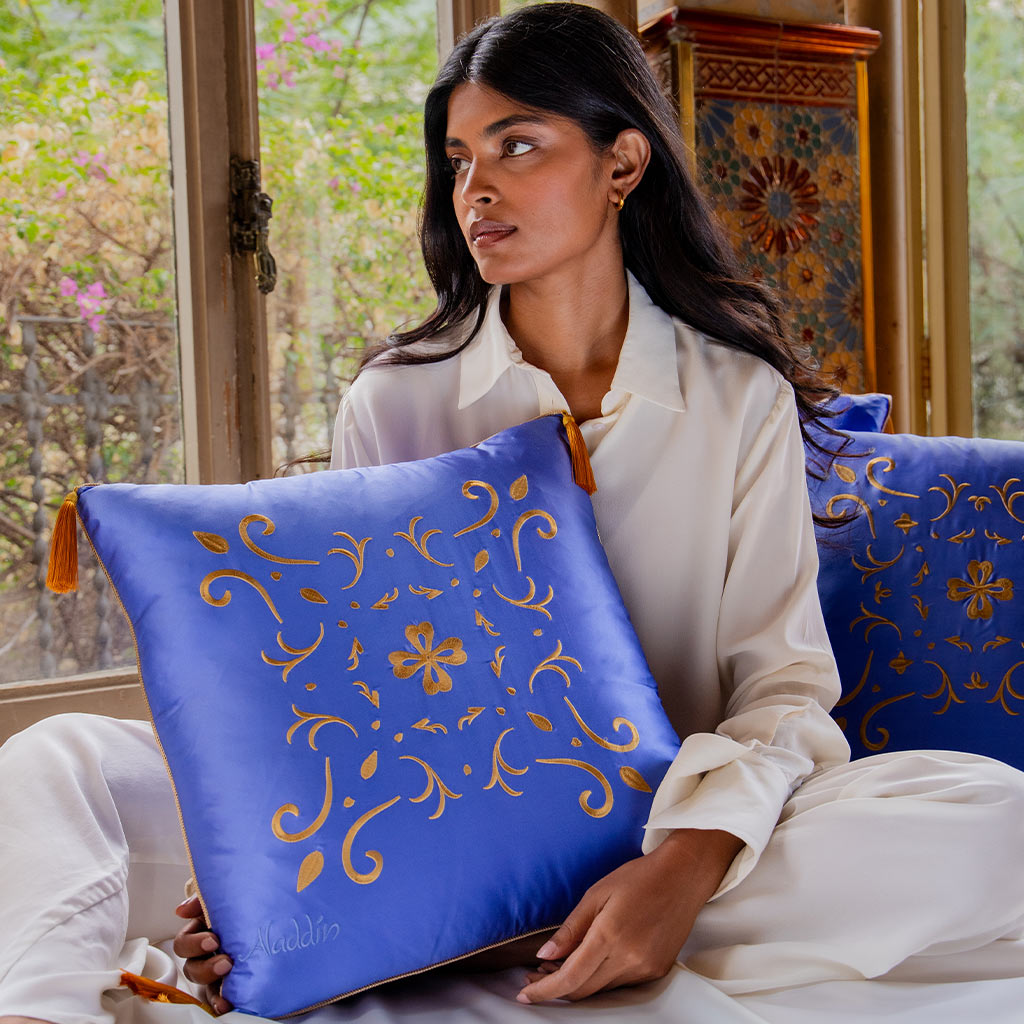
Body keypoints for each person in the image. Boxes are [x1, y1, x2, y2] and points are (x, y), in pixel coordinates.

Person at [2, 5, 1023, 1024]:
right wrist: (281, 866)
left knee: (989, 818)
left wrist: (680, 873)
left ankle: (544, 926)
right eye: (458, 157)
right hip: (424, 828)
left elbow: (785, 689)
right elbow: (347, 686)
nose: (475, 188)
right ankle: (56, 1007)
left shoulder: (734, 394)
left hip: (668, 821)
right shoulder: (398, 398)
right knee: (63, 761)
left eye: (517, 145)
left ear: (622, 165)